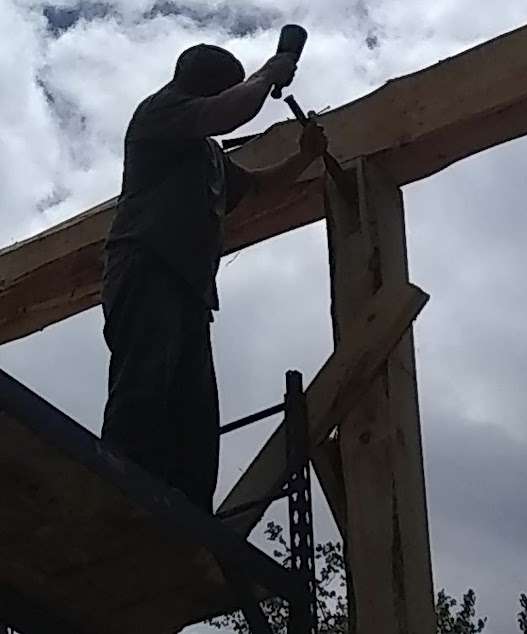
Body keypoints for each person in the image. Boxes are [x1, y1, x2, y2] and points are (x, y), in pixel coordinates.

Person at [100, 43, 327, 513]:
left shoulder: (207, 156)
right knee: (144, 390)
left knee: (194, 420)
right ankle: (118, 501)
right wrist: (271, 71)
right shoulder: (160, 113)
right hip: (147, 263)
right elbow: (230, 113)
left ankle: (188, 521)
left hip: (190, 288)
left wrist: (305, 157)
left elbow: (259, 186)